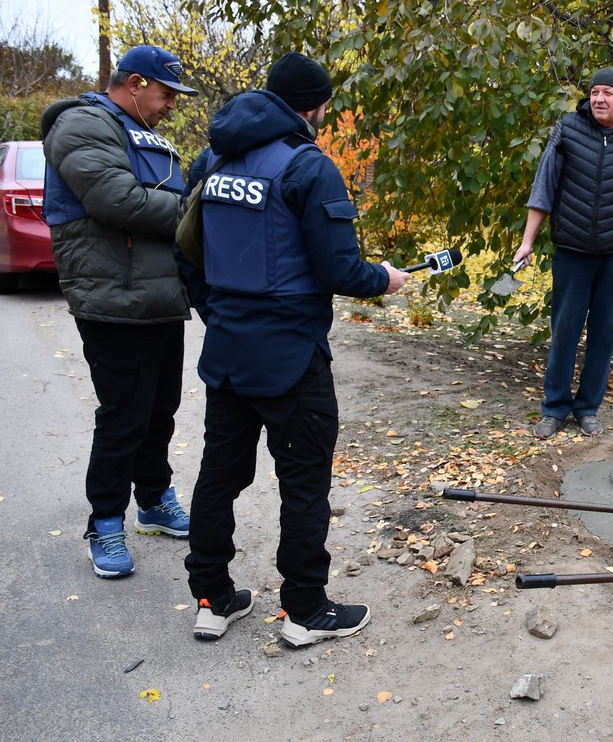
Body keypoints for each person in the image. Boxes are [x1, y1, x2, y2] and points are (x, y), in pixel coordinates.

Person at [177, 52, 409, 646]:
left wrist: (219, 313)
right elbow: (340, 269)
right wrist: (385, 278)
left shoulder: (213, 159)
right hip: (292, 358)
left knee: (218, 477)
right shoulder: (309, 167)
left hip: (227, 354)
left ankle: (212, 597)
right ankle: (305, 609)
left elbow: (185, 252)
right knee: (304, 482)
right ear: (314, 107)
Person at [41, 45, 198, 579]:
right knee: (124, 414)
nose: (172, 104)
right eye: (166, 93)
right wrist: (198, 212)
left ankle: (153, 501)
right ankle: (105, 522)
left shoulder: (143, 132)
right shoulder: (81, 126)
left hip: (158, 296)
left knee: (160, 409)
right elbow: (119, 201)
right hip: (112, 298)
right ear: (135, 83)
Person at [514, 67, 613, 440]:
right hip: (571, 251)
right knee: (565, 332)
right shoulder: (568, 129)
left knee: (604, 335)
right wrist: (527, 241)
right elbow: (544, 188)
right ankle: (554, 409)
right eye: (594, 92)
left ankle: (587, 408)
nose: (598, 99)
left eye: (607, 93)